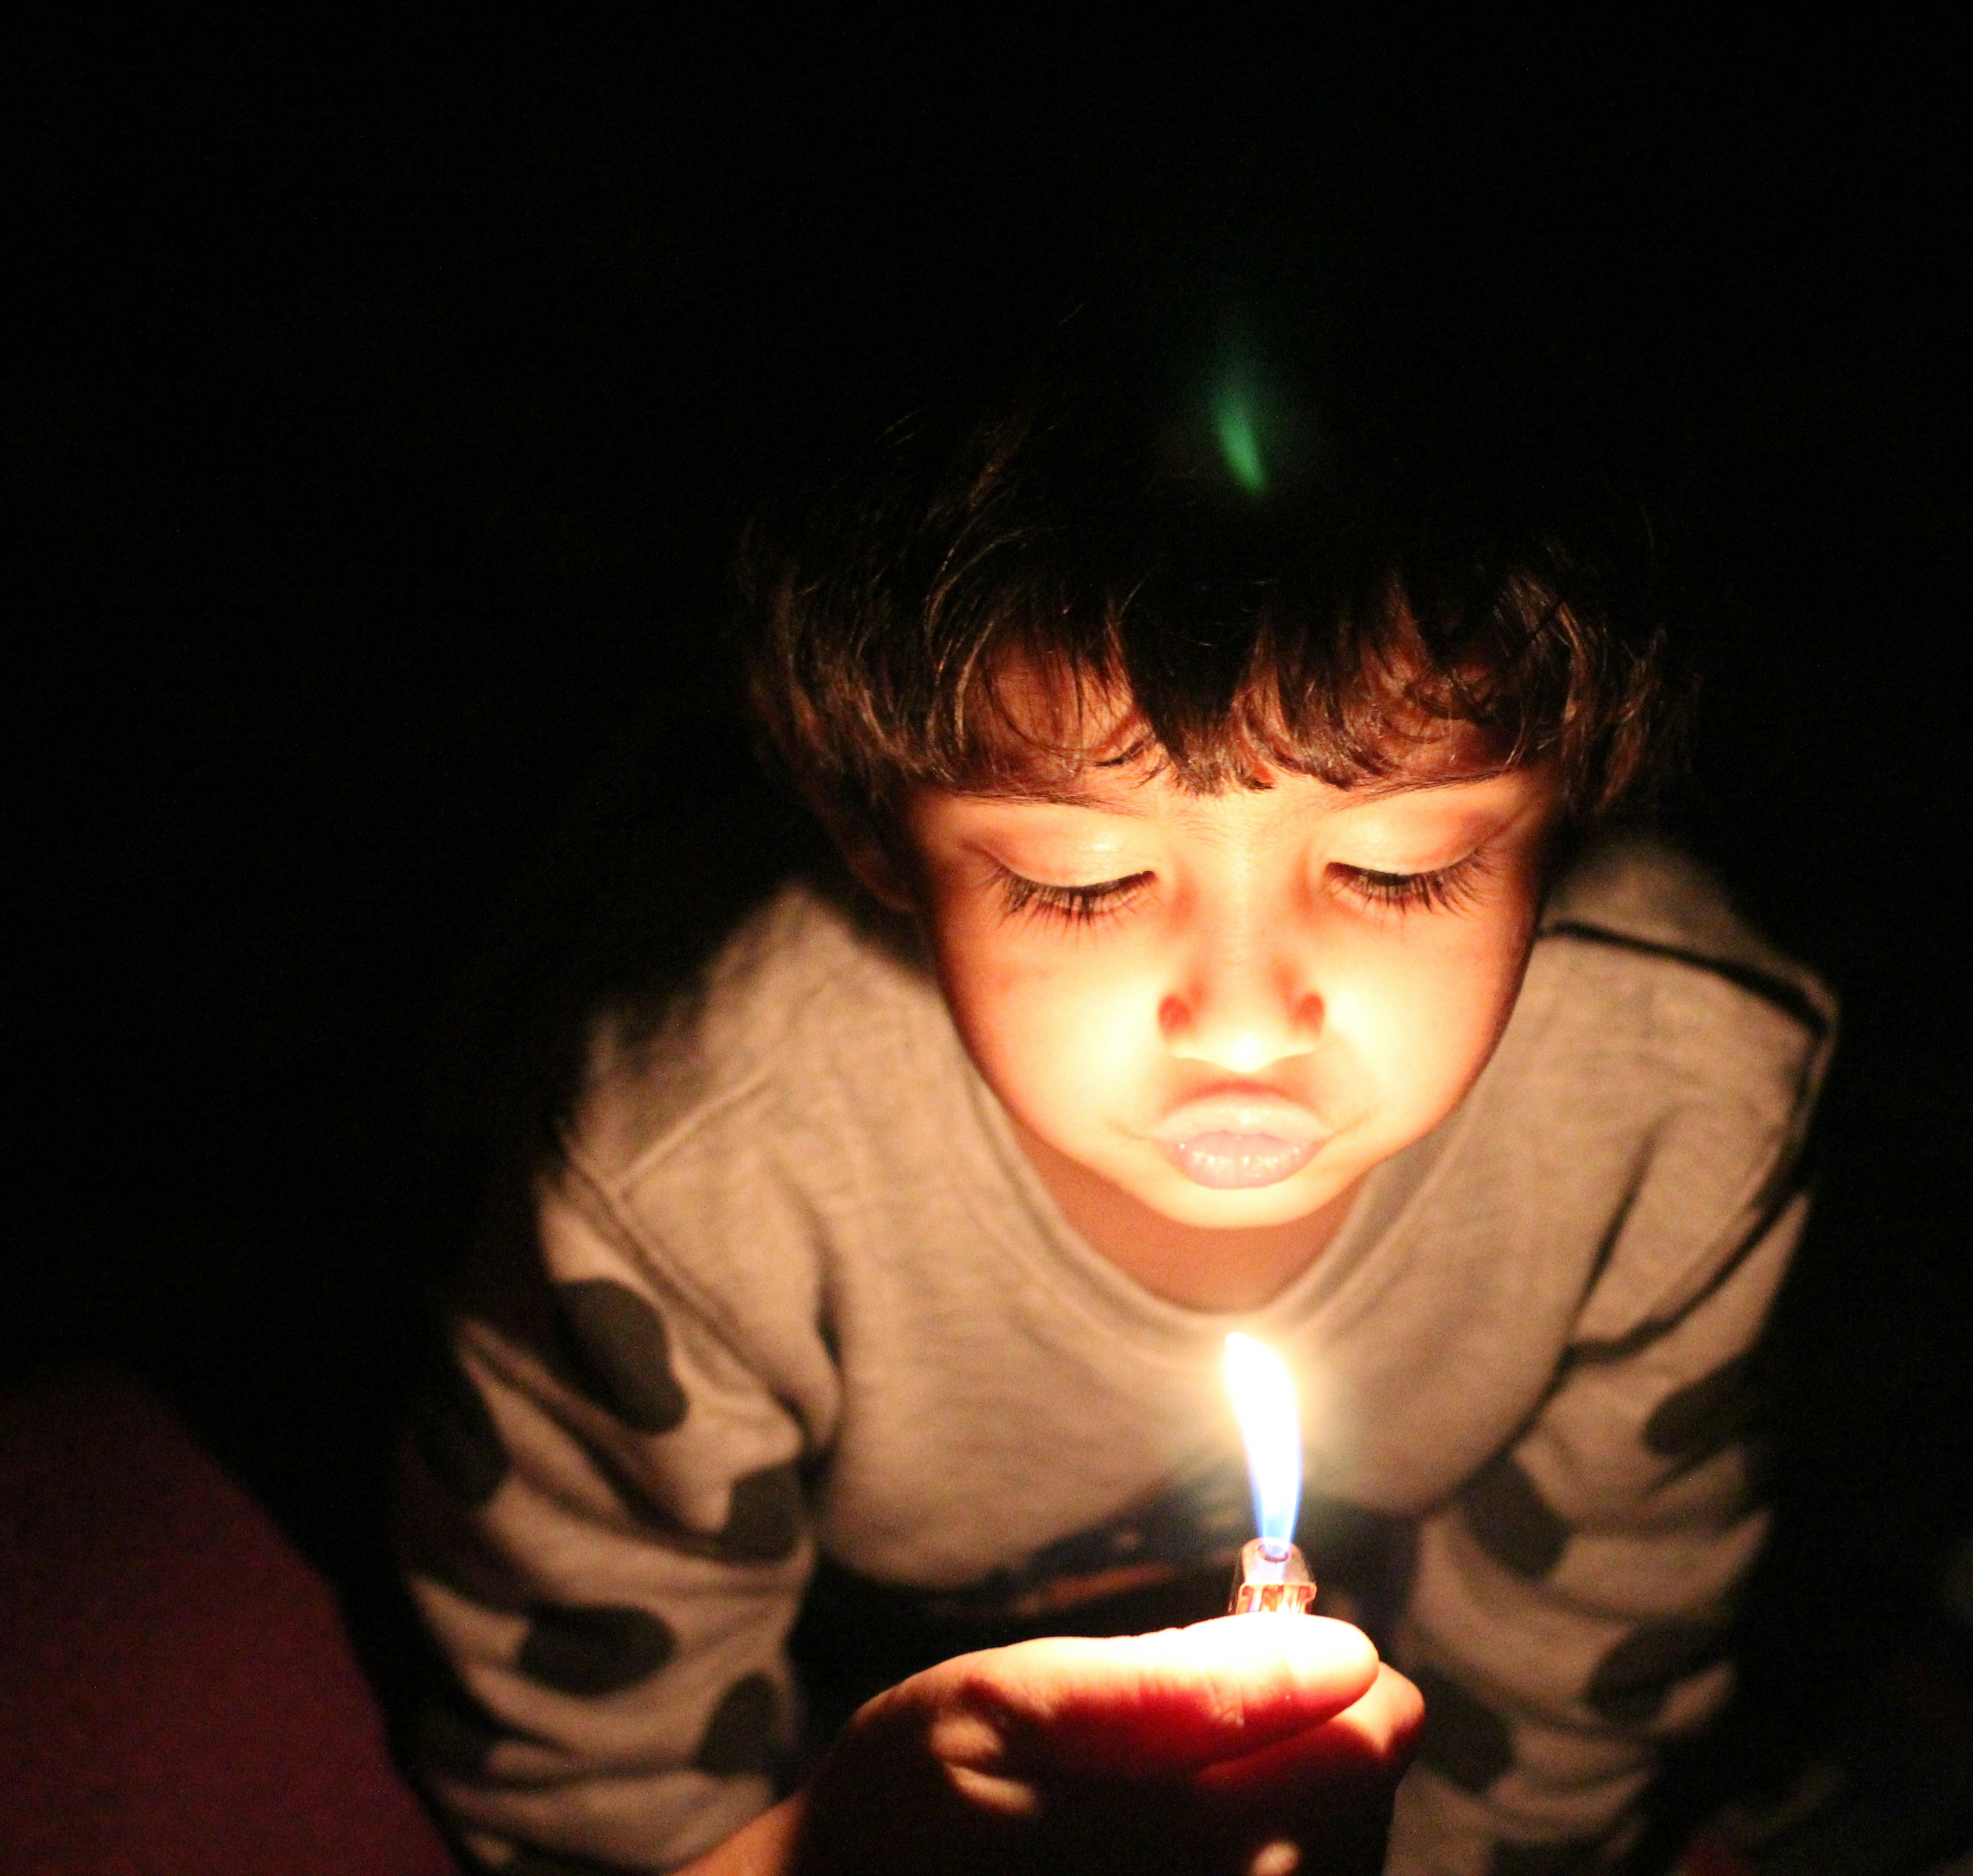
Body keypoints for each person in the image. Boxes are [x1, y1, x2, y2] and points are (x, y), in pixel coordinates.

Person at [396, 326, 1833, 1876]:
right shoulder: (684, 1182)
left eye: (1397, 869)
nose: (1237, 1021)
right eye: (1079, 883)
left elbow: (1585, 1670)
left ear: (1570, 819)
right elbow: (590, 1783)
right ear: (882, 844)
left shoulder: (1680, 1094)